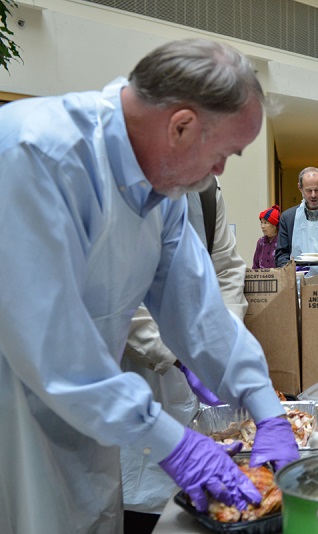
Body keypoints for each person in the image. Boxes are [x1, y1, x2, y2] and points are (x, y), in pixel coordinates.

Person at [0, 38, 299, 534]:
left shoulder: (163, 189)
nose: (219, 173)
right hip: (15, 412)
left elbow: (199, 313)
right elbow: (52, 346)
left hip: (88, 417)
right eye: (224, 154)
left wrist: (264, 404)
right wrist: (173, 442)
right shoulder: (31, 154)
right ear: (181, 126)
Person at [121, 178, 248, 532]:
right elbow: (114, 297)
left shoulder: (205, 190)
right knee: (139, 500)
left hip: (193, 367)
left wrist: (222, 345)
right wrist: (177, 356)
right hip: (132, 373)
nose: (221, 164)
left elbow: (226, 268)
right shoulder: (117, 184)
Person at [253, 204, 281, 269]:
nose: (262, 226)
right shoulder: (261, 242)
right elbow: (255, 265)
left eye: (265, 223)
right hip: (261, 278)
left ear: (274, 226)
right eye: (261, 222)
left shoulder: (281, 241)